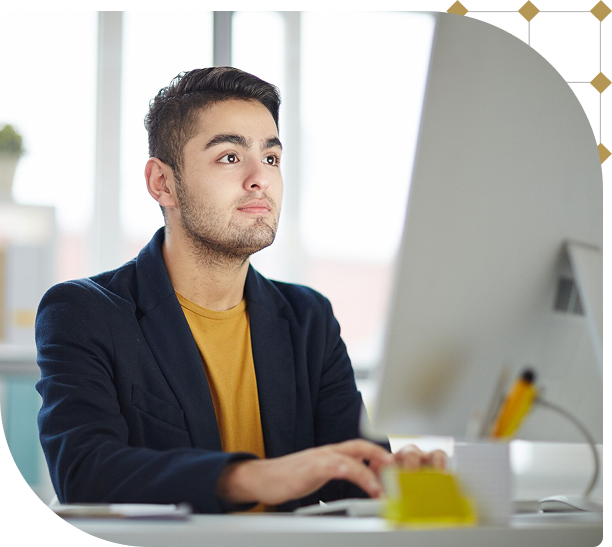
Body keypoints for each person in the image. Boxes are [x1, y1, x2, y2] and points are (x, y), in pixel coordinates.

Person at [35, 67, 445, 514]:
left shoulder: (308, 318)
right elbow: (85, 473)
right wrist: (252, 476)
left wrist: (398, 476)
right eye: (230, 157)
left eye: (271, 158)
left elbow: (359, 477)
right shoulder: (83, 312)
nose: (259, 179)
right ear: (162, 183)